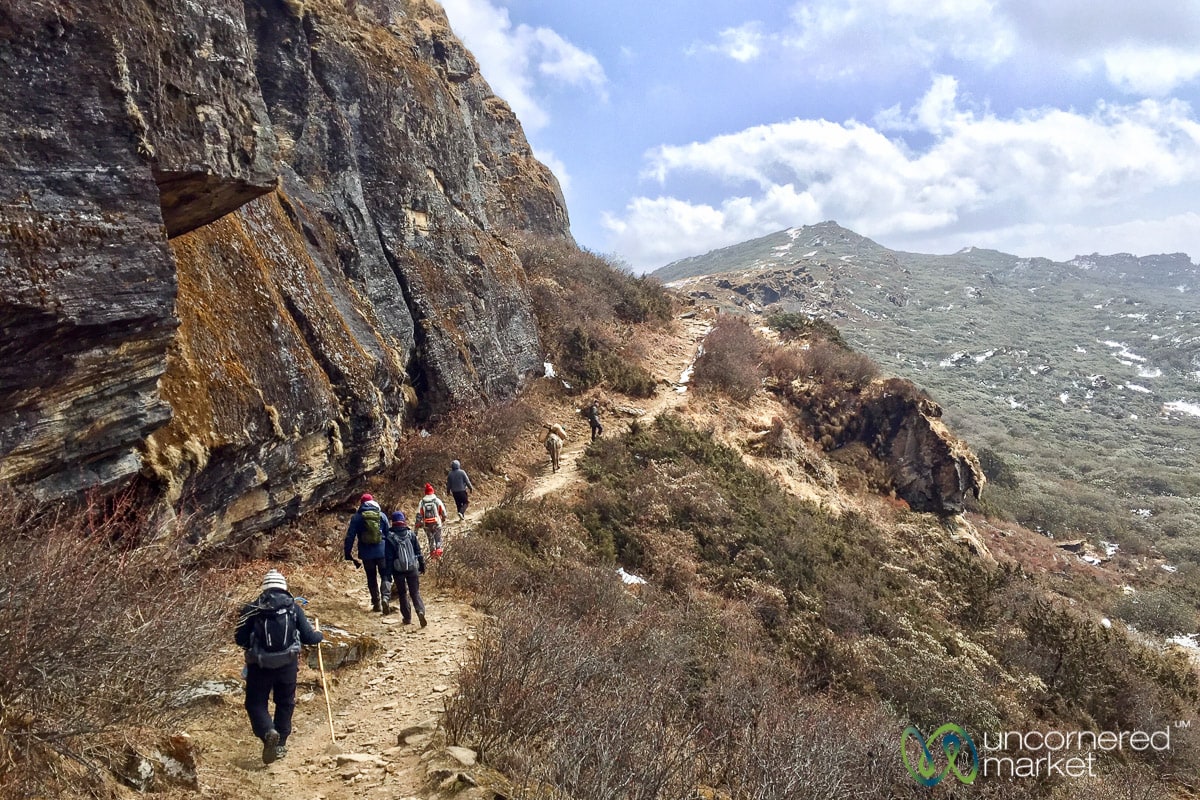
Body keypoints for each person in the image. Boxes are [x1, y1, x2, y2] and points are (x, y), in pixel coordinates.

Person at [235, 569, 323, 764]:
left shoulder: (252, 608)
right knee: (285, 702)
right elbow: (309, 637)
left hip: (260, 665)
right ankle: (281, 742)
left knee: (255, 703)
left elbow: (239, 639)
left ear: (264, 588)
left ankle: (268, 732)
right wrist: (319, 635)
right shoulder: (294, 608)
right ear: (284, 587)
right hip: (288, 663)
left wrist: (253, 646)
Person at [344, 493, 390, 612]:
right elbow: (389, 535)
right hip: (382, 551)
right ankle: (385, 597)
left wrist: (348, 553)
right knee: (385, 575)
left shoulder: (357, 517)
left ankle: (376, 603)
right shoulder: (381, 515)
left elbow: (350, 536)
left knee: (371, 577)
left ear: (361, 503)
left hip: (366, 553)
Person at [384, 511, 427, 627]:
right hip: (412, 568)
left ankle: (407, 618)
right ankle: (420, 611)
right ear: (403, 521)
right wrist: (422, 565)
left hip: (398, 570)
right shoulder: (410, 534)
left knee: (402, 594)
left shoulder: (389, 537)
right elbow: (418, 551)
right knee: (415, 592)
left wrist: (387, 575)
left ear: (392, 522)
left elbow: (388, 558)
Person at [416, 483, 447, 555]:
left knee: (430, 540)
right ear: (433, 491)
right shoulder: (437, 500)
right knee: (438, 539)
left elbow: (418, 515)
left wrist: (416, 529)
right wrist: (443, 519)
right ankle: (439, 555)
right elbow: (443, 512)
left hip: (426, 525)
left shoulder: (422, 502)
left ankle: (432, 555)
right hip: (437, 523)